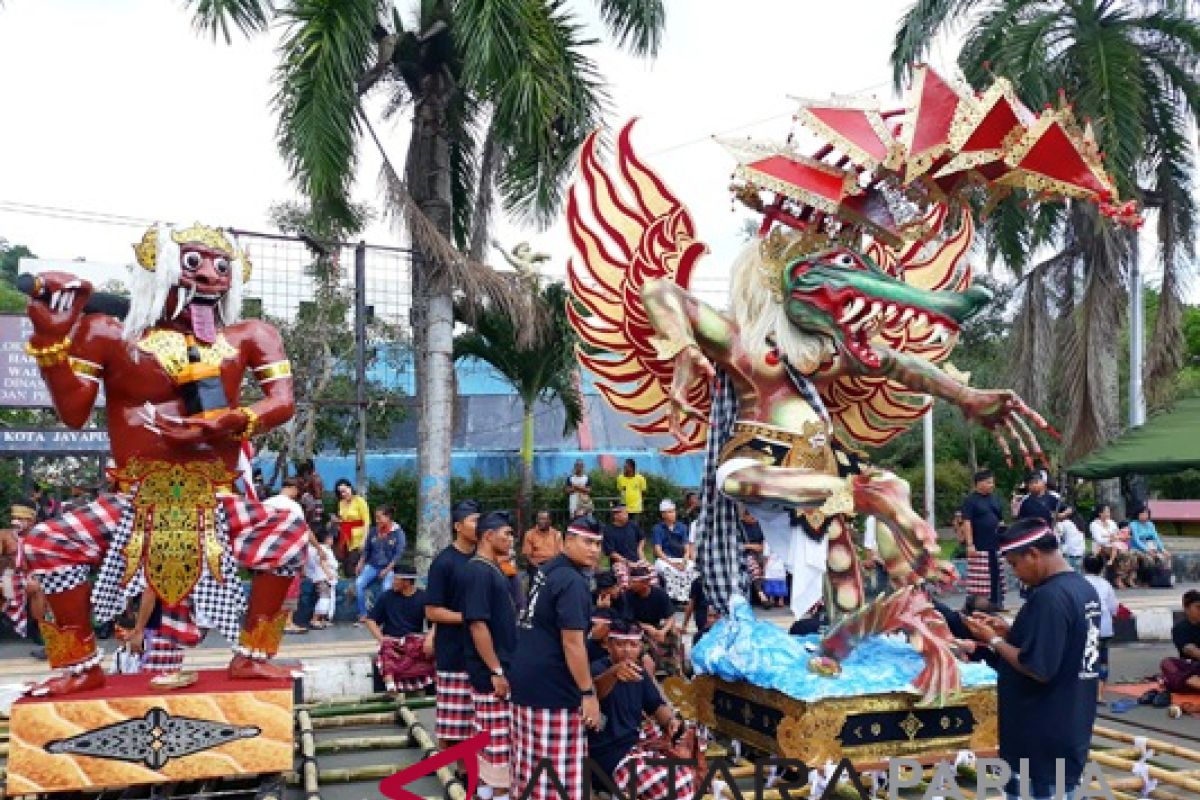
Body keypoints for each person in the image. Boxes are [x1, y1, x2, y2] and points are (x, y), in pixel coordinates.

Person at [963, 518, 1101, 800]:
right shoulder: (1082, 589)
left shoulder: (1049, 597)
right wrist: (1009, 630)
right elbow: (1058, 644)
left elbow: (1037, 667)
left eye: (1015, 564)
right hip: (1069, 728)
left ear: (1034, 555)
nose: (1016, 574)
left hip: (1040, 739)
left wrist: (993, 640)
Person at [509, 515, 604, 800]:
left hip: (527, 682)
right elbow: (573, 643)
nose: (594, 549)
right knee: (562, 781)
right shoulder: (572, 581)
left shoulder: (548, 570)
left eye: (598, 544)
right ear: (567, 541)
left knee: (531, 773)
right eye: (587, 542)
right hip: (553, 688)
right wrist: (588, 693)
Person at [588, 618, 696, 800]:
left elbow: (656, 705)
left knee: (691, 754)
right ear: (608, 645)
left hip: (634, 745)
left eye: (633, 645)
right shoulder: (596, 669)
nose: (628, 650)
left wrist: (671, 722)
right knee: (678, 781)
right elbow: (593, 692)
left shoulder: (639, 672)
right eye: (621, 644)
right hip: (608, 757)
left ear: (640, 648)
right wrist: (613, 673)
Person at [461, 511, 519, 799]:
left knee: (489, 735)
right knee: (497, 742)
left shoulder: (493, 567)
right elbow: (477, 623)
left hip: (499, 665)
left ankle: (485, 792)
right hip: (491, 671)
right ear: (488, 535)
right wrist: (496, 670)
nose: (511, 539)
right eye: (507, 533)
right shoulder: (479, 570)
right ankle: (497, 793)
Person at [425, 499, 481, 750]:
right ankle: (451, 775)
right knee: (451, 723)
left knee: (477, 722)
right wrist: (469, 617)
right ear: (458, 526)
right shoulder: (444, 562)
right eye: (473, 520)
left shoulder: (484, 560)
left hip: (481, 653)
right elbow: (432, 611)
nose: (479, 525)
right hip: (453, 652)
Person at [365, 555, 434, 694]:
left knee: (427, 651)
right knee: (387, 648)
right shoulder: (386, 597)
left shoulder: (424, 597)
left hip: (413, 640)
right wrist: (381, 638)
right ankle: (390, 686)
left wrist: (430, 640)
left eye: (395, 579)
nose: (392, 582)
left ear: (407, 582)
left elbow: (434, 624)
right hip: (392, 641)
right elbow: (371, 620)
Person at [264, 479, 313, 634]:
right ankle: (288, 622)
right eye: (297, 490)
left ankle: (270, 621)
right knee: (291, 586)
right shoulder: (294, 507)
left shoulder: (267, 503)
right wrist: (317, 548)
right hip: (289, 552)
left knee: (271, 587)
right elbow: (303, 531)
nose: (297, 494)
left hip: (268, 553)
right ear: (292, 488)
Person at [1, 501, 46, 657]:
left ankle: (42, 630)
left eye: (21, 518)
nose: (16, 521)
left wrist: (35, 576)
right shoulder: (4, 535)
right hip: (8, 574)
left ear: (31, 520)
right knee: (4, 584)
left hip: (33, 574)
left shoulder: (40, 535)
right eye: (14, 517)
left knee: (36, 588)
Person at [961, 469, 1007, 612]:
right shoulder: (971, 501)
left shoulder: (994, 498)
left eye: (992, 482)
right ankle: (976, 604)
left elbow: (1000, 519)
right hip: (979, 545)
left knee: (996, 575)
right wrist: (970, 544)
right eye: (988, 482)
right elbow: (966, 522)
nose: (992, 485)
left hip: (995, 544)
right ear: (979, 483)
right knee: (981, 579)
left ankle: (997, 603)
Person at [625, 564, 682, 677]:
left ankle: (674, 669)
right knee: (643, 640)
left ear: (645, 583)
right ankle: (649, 668)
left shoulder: (659, 594)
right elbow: (627, 620)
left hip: (656, 626)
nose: (630, 584)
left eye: (633, 582)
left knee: (674, 633)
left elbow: (670, 616)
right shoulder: (628, 595)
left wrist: (663, 631)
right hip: (635, 628)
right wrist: (647, 627)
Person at [355, 506, 406, 622]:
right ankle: (363, 614)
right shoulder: (373, 531)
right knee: (359, 583)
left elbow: (398, 555)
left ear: (388, 517)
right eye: (376, 518)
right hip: (373, 565)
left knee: (386, 588)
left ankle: (382, 616)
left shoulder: (398, 533)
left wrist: (387, 570)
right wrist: (360, 562)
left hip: (390, 567)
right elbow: (367, 550)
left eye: (379, 518)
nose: (377, 521)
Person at [1081, 554, 1117, 702]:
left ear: (1083, 567)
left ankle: (1082, 690)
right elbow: (1113, 607)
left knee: (1084, 659)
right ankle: (1099, 693)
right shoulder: (1106, 584)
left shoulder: (1079, 582)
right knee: (1102, 660)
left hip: (1085, 626)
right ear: (1101, 568)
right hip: (1104, 627)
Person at [651, 499, 694, 604]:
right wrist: (672, 563)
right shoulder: (658, 528)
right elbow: (658, 551)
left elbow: (687, 547)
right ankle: (672, 599)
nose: (673, 514)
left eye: (673, 511)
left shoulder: (682, 527)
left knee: (692, 567)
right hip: (664, 559)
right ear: (663, 515)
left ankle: (685, 598)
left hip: (680, 558)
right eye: (669, 512)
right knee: (668, 570)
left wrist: (684, 561)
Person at [1159, 589, 1200, 694]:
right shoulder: (1180, 628)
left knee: (1171, 681)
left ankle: (1187, 684)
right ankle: (1192, 683)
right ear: (1186, 609)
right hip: (1191, 667)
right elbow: (1190, 650)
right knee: (1167, 663)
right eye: (1198, 607)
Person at [603, 502, 644, 588]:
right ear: (615, 515)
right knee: (624, 579)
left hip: (637, 560)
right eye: (624, 512)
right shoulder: (608, 530)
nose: (627, 514)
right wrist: (628, 563)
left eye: (626, 512)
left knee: (651, 572)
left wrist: (640, 552)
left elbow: (642, 539)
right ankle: (625, 599)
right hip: (619, 563)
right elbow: (611, 553)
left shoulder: (632, 525)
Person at [335, 478, 370, 575]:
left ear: (350, 488)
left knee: (353, 564)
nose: (343, 494)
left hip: (358, 539)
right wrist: (337, 521)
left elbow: (367, 521)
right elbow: (343, 519)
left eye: (345, 491)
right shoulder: (341, 503)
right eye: (341, 492)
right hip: (345, 537)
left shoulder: (360, 501)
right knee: (345, 565)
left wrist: (364, 540)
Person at [1129, 505, 1171, 582]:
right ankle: (1145, 579)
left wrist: (1162, 549)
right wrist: (1147, 550)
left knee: (1165, 556)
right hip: (1137, 548)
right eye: (1143, 514)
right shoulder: (1133, 524)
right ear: (1138, 514)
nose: (1145, 516)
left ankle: (1164, 578)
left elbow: (1156, 538)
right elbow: (1136, 540)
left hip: (1151, 548)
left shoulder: (1150, 524)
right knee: (1149, 558)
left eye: (1146, 514)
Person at [307, 528, 339, 629]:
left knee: (326, 598)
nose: (332, 540)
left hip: (323, 577)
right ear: (325, 539)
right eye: (330, 538)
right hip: (323, 577)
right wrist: (328, 574)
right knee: (324, 598)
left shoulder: (323, 548)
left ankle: (320, 619)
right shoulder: (322, 549)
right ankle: (314, 619)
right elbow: (322, 562)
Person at [521, 510, 562, 586]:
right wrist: (539, 567)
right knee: (535, 581)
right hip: (535, 565)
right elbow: (528, 556)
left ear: (550, 521)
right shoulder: (529, 534)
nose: (541, 521)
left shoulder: (556, 534)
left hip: (552, 564)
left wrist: (550, 566)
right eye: (539, 519)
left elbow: (559, 555)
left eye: (544, 519)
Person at [739, 507, 767, 605]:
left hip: (760, 553)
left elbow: (762, 547)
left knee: (767, 565)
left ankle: (764, 594)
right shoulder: (739, 526)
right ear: (744, 516)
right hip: (745, 555)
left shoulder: (759, 525)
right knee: (753, 565)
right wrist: (752, 546)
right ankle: (761, 595)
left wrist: (749, 546)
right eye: (751, 518)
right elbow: (739, 545)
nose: (754, 520)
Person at [616, 459, 648, 527]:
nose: (624, 468)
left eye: (626, 467)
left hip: (636, 509)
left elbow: (644, 492)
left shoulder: (640, 478)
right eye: (624, 467)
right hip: (624, 508)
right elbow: (620, 491)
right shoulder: (620, 478)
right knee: (624, 527)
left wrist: (638, 502)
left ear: (632, 467)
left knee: (634, 527)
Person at [762, 543, 789, 608]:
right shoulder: (783, 539)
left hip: (771, 566)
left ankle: (772, 600)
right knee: (781, 582)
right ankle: (781, 600)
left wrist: (764, 567)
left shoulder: (767, 541)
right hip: (781, 565)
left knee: (771, 582)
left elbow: (766, 556)